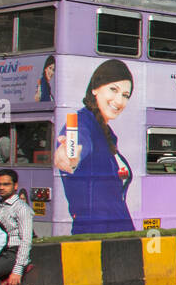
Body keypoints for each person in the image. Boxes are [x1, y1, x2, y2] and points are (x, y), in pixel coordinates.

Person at [53, 59, 135, 234]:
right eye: (114, 89)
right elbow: (77, 143)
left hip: (117, 232)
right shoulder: (81, 122)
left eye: (126, 95)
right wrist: (70, 156)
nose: (119, 101)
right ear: (95, 88)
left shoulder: (106, 134)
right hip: (94, 234)